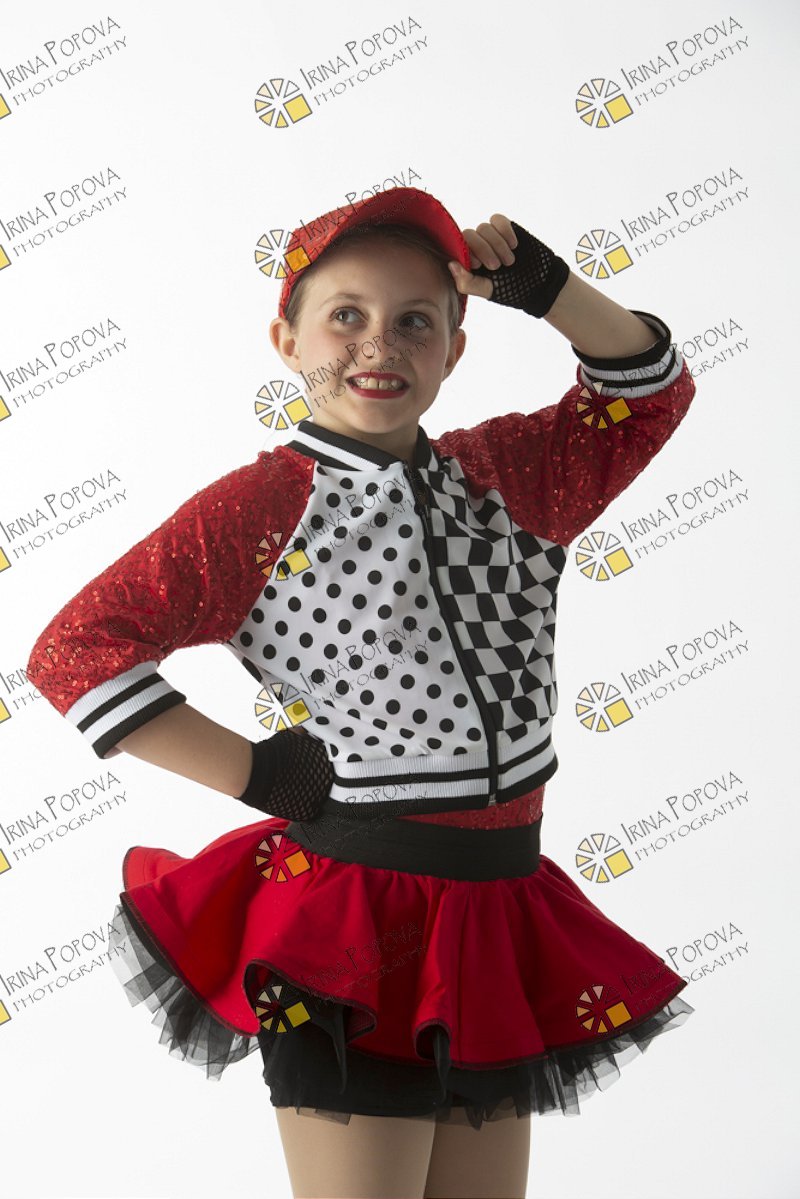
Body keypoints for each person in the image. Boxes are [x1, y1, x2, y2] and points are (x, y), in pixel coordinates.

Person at [25, 187, 697, 1199]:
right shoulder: (262, 506)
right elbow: (75, 650)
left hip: (497, 914)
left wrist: (549, 288)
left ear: (455, 350)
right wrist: (255, 772)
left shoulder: (511, 475)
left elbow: (649, 392)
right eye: (346, 315)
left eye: (415, 321)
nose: (379, 344)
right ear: (286, 341)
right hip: (344, 932)